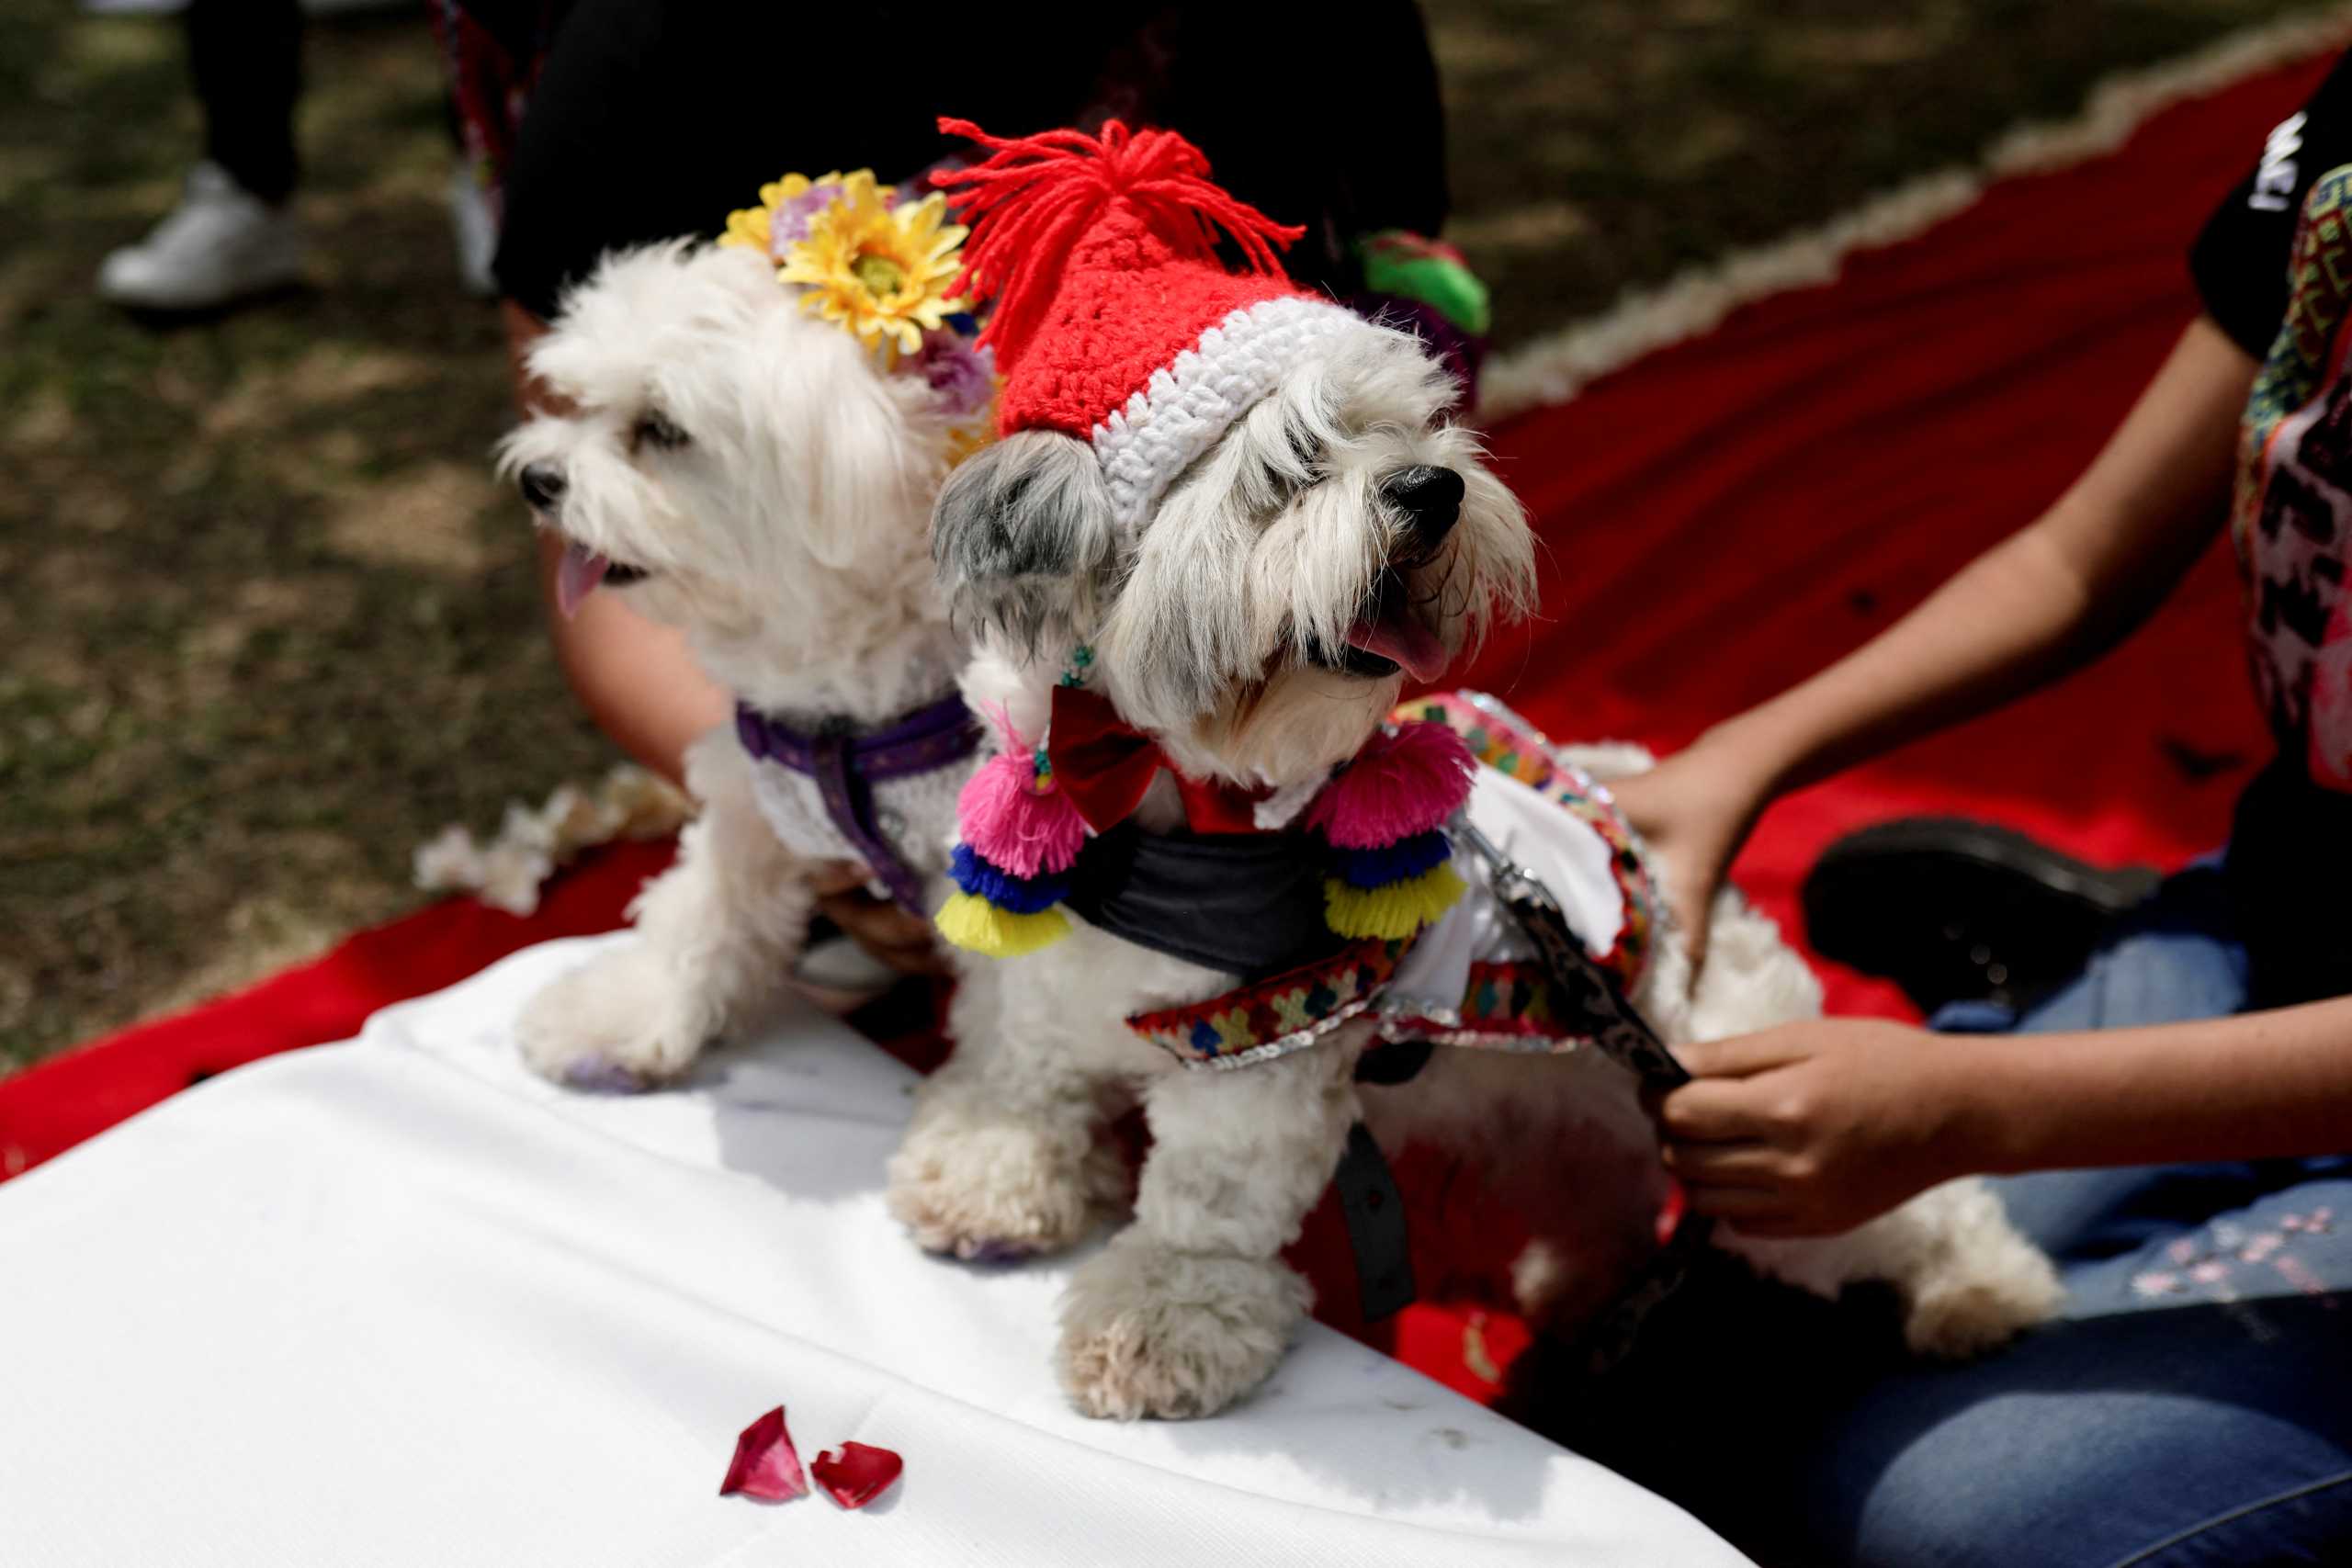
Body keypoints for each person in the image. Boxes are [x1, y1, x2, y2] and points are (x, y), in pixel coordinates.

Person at [1574, 57, 2352, 1568]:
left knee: (1953, 1509)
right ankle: (2125, 991)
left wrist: (1968, 1111)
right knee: (1717, 1349)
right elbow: (2079, 557)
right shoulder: (2339, 136)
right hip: (2283, 923)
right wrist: (1741, 757)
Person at [490, 0, 1457, 975]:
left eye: (654, 429)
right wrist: (824, 816)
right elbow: (589, 550)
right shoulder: (649, 48)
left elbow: (1414, 364)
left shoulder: (1336, 32)